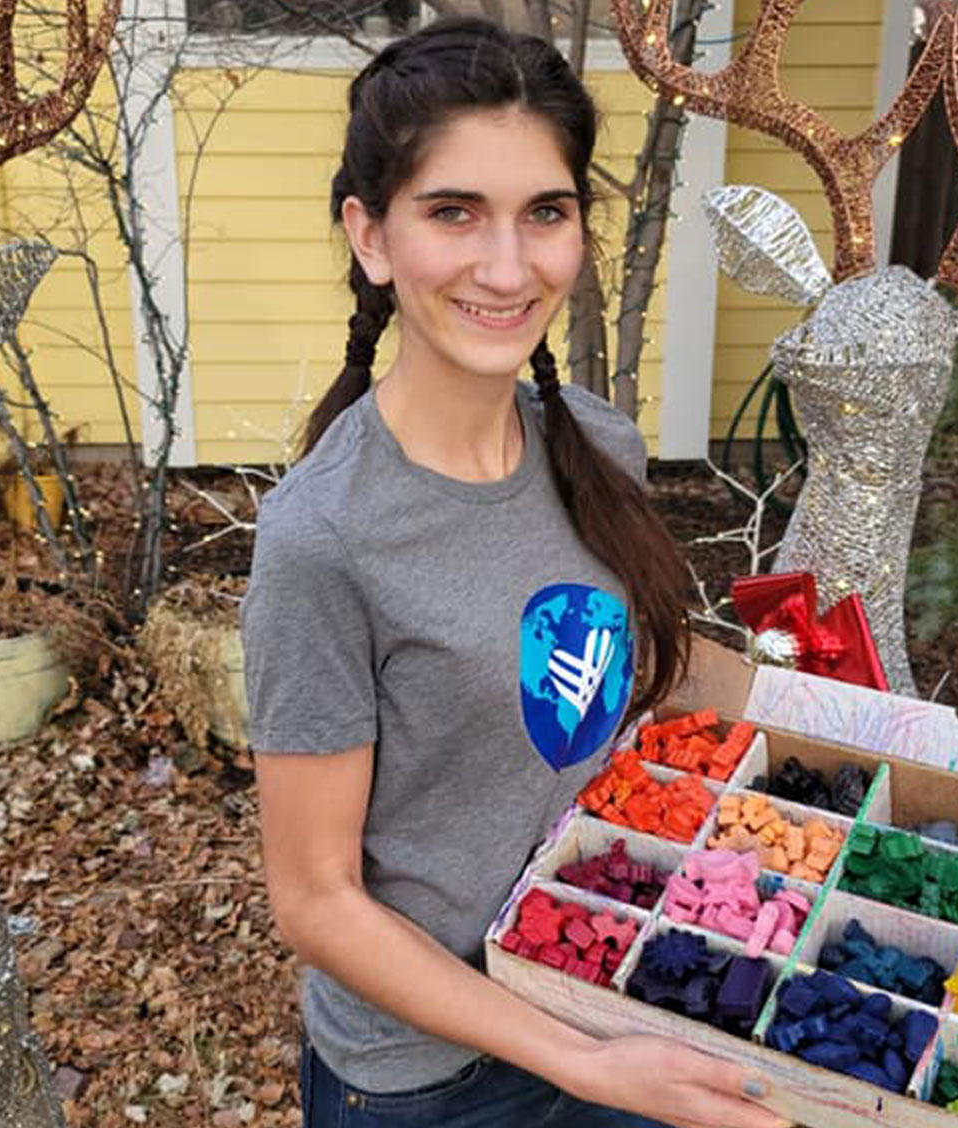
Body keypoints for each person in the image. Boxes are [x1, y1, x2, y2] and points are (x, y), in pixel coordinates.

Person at [242, 17, 791, 1128]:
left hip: (613, 985)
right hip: (435, 1079)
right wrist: (582, 1065)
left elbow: (634, 667)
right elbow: (314, 901)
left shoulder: (595, 444)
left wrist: (876, 725)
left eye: (544, 212)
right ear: (371, 235)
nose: (507, 266)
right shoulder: (324, 538)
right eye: (453, 213)